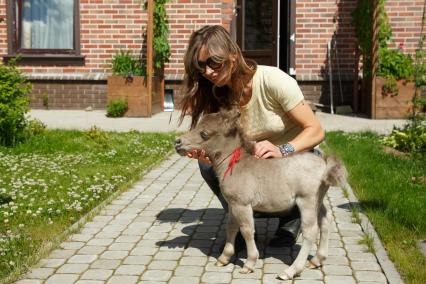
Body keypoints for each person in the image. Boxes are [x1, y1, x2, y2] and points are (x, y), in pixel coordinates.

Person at [178, 25, 325, 248]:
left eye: (213, 62)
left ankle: (291, 217)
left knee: (302, 165)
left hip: (290, 158)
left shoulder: (273, 80)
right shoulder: (216, 94)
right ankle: (243, 221)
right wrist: (207, 154)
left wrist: (281, 149)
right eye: (201, 66)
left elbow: (316, 130)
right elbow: (219, 144)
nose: (207, 71)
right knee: (207, 167)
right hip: (253, 163)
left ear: (233, 56)